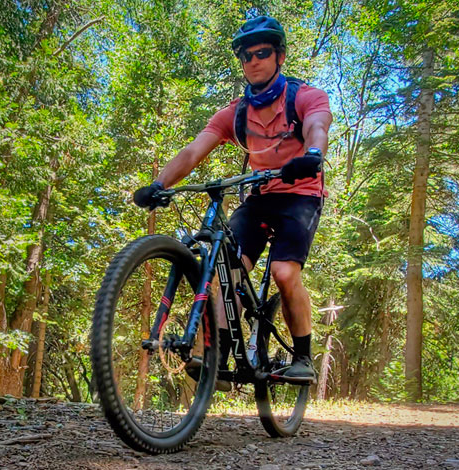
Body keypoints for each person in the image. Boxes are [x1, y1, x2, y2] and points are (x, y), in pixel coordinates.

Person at [132, 16, 332, 382]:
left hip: (301, 194)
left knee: (284, 272)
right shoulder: (235, 112)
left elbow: (318, 125)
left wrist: (313, 154)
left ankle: (303, 357)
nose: (253, 60)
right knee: (226, 272)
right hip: (260, 198)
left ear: (280, 56)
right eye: (246, 55)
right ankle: (221, 355)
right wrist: (158, 184)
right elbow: (194, 151)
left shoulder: (305, 97)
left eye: (262, 52)